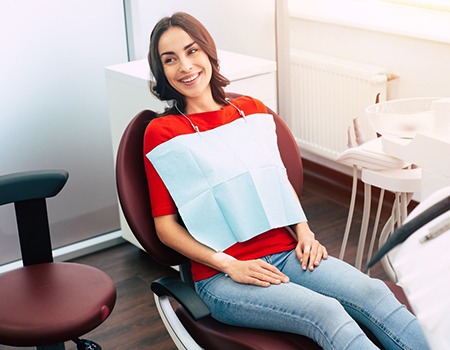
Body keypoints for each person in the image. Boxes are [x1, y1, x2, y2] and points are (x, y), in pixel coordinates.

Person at [143, 12, 429, 350]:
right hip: (222, 276)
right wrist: (229, 264)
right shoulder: (162, 133)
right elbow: (165, 227)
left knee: (373, 292)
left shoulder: (252, 111)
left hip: (287, 252)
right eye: (170, 59)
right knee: (327, 314)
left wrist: (305, 233)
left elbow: (276, 183)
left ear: (208, 52)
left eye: (192, 51)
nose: (185, 66)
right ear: (162, 71)